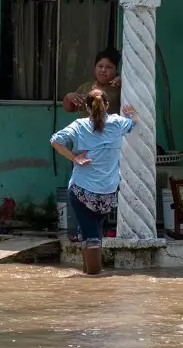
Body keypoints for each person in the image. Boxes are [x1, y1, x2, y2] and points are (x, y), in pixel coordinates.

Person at [50, 88, 136, 275]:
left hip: (81, 192)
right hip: (108, 193)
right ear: (106, 105)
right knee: (93, 234)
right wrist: (132, 115)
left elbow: (55, 141)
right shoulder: (118, 123)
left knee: (90, 235)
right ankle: (93, 283)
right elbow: (132, 124)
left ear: (88, 108)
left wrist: (73, 157)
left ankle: (91, 286)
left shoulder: (79, 125)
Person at [62, 47, 122, 117]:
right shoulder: (86, 87)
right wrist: (68, 97)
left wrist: (122, 80)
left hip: (107, 127)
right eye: (100, 66)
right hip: (84, 127)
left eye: (108, 67)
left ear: (116, 70)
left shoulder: (119, 89)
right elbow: (70, 109)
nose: (103, 70)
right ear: (95, 67)